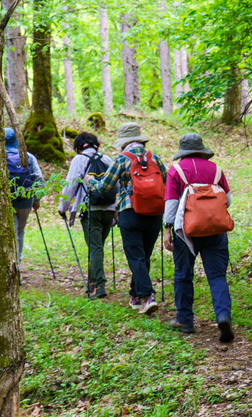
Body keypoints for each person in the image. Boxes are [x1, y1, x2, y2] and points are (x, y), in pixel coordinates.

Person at [85, 122, 167, 314]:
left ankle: (147, 296)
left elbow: (104, 186)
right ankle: (135, 296)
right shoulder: (155, 158)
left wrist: (90, 182)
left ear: (123, 142)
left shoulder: (121, 159)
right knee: (144, 255)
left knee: (135, 256)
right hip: (154, 213)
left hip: (130, 212)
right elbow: (166, 182)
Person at [162, 133, 235, 343]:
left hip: (186, 233)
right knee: (217, 275)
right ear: (202, 149)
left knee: (183, 273)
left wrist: (167, 229)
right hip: (216, 230)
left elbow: (171, 204)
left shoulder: (176, 170)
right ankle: (223, 316)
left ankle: (184, 320)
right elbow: (227, 201)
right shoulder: (216, 169)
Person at [57, 132, 116, 300]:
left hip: (90, 209)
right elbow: (116, 184)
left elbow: (71, 184)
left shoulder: (79, 160)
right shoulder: (107, 159)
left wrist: (63, 207)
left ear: (79, 146)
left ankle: (99, 285)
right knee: (97, 246)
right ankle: (92, 282)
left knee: (95, 246)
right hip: (109, 208)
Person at [4, 127, 44, 265]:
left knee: (10, 233)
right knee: (19, 231)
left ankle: (13, 265)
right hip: (26, 201)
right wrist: (36, 200)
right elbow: (39, 179)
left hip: (6, 202)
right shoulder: (28, 157)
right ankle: (18, 264)